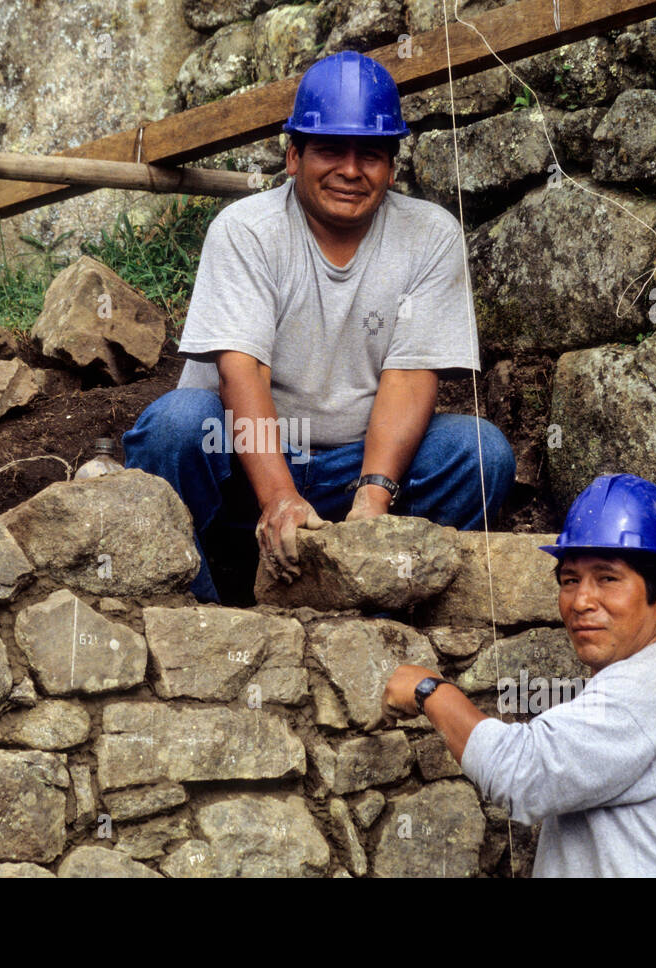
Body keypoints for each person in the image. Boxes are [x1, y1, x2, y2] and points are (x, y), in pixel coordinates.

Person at [122, 50, 515, 603]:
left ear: (393, 167)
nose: (351, 171)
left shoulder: (431, 235)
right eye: (330, 150)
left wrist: (373, 499)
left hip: (355, 464)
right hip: (241, 463)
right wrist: (279, 496)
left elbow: (408, 377)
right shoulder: (246, 231)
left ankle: (388, 616)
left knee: (478, 452)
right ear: (293, 156)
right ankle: (201, 611)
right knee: (176, 425)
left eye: (371, 155)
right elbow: (245, 371)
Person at [382, 473, 656, 876]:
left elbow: (520, 774)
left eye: (607, 578)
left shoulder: (653, 687)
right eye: (570, 580)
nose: (581, 600)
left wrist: (428, 689)